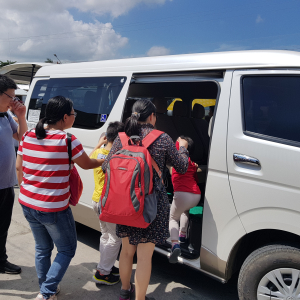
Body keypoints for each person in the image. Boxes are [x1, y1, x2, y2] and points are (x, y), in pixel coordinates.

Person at [16, 96, 104, 300]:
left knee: (42, 248)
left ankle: (46, 288)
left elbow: (19, 167)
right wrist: (104, 158)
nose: (75, 117)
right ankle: (46, 293)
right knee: (67, 249)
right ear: (65, 117)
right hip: (53, 207)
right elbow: (87, 164)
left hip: (27, 202)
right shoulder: (68, 140)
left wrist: (29, 191)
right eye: (74, 114)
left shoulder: (28, 135)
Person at [102, 99, 189, 300]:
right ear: (152, 116)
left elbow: (106, 166)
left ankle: (125, 291)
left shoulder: (121, 138)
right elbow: (182, 167)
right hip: (152, 205)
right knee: (144, 257)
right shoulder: (163, 138)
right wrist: (182, 147)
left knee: (126, 252)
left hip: (125, 204)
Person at [89, 121, 124, 285]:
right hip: (108, 202)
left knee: (105, 235)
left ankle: (105, 266)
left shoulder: (97, 153)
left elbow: (90, 158)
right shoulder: (115, 157)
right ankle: (103, 273)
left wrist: (99, 143)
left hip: (96, 200)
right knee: (115, 238)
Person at [0, 75, 27, 275]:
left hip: (6, 183)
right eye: (11, 97)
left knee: (2, 227)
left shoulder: (6, 116)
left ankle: (1, 260)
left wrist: (22, 117)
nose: (14, 101)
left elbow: (22, 138)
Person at [168, 136, 201, 264]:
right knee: (184, 211)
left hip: (182, 194)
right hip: (196, 195)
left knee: (172, 217)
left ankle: (175, 244)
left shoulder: (176, 160)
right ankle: (182, 235)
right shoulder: (192, 164)